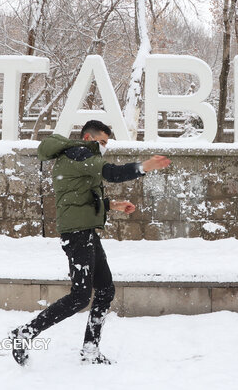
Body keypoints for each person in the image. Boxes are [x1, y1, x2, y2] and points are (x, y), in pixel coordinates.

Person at [10, 120, 171, 366]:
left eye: (107, 143)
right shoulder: (78, 155)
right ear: (88, 138)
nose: (104, 147)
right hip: (77, 235)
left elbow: (79, 199)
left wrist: (112, 205)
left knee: (105, 290)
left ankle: (90, 349)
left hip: (85, 232)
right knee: (80, 297)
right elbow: (112, 173)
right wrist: (145, 166)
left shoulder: (78, 157)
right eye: (102, 142)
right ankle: (25, 333)